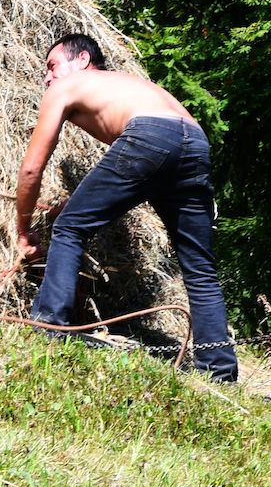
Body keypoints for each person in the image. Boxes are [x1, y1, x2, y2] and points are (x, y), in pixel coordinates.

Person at [15, 34, 238, 383]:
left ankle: (50, 328)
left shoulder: (69, 86)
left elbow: (31, 169)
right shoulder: (127, 84)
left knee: (70, 229)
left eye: (52, 65)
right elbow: (147, 164)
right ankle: (221, 371)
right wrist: (78, 204)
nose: (47, 77)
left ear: (83, 60)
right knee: (199, 268)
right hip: (194, 142)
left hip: (150, 136)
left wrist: (23, 229)